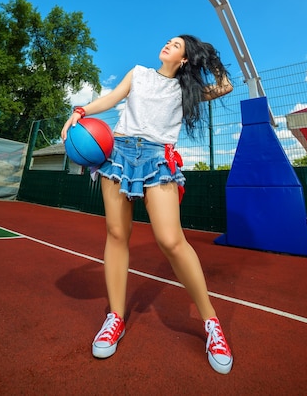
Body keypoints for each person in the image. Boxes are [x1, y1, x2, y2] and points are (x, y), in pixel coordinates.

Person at [61, 35, 234, 374]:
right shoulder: (138, 73)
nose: (169, 44)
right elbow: (110, 100)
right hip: (119, 152)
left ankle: (211, 323)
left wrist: (209, 57)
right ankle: (115, 317)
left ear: (185, 59)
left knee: (171, 240)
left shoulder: (188, 91)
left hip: (159, 157)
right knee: (116, 233)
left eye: (177, 45)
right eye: (169, 41)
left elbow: (225, 85)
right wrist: (79, 111)